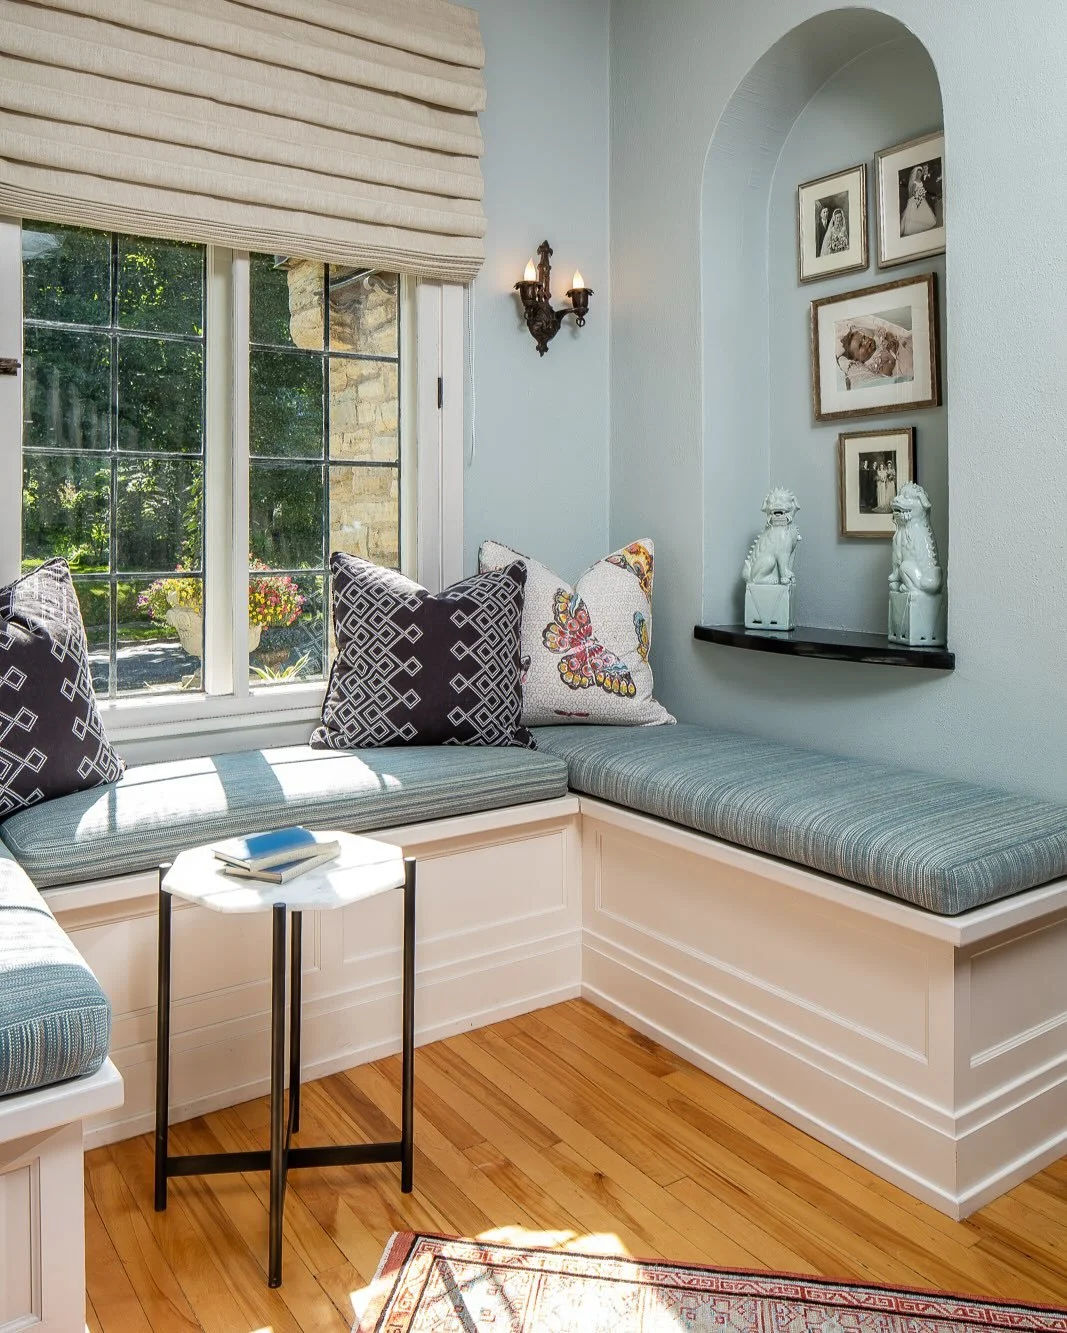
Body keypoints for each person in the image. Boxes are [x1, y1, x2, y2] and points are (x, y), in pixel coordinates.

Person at [838, 321, 914, 390]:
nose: (866, 342)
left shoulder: (877, 339)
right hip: (892, 363)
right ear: (857, 359)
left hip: (898, 348)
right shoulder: (869, 365)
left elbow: (887, 333)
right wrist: (891, 355)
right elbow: (885, 373)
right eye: (861, 345)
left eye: (864, 338)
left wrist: (890, 338)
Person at [900, 165, 937, 236]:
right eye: (918, 174)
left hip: (922, 199)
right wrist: (917, 196)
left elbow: (922, 189)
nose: (919, 175)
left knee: (924, 212)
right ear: (916, 174)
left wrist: (922, 194)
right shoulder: (914, 183)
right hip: (916, 199)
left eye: (920, 174)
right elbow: (911, 194)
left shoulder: (920, 181)